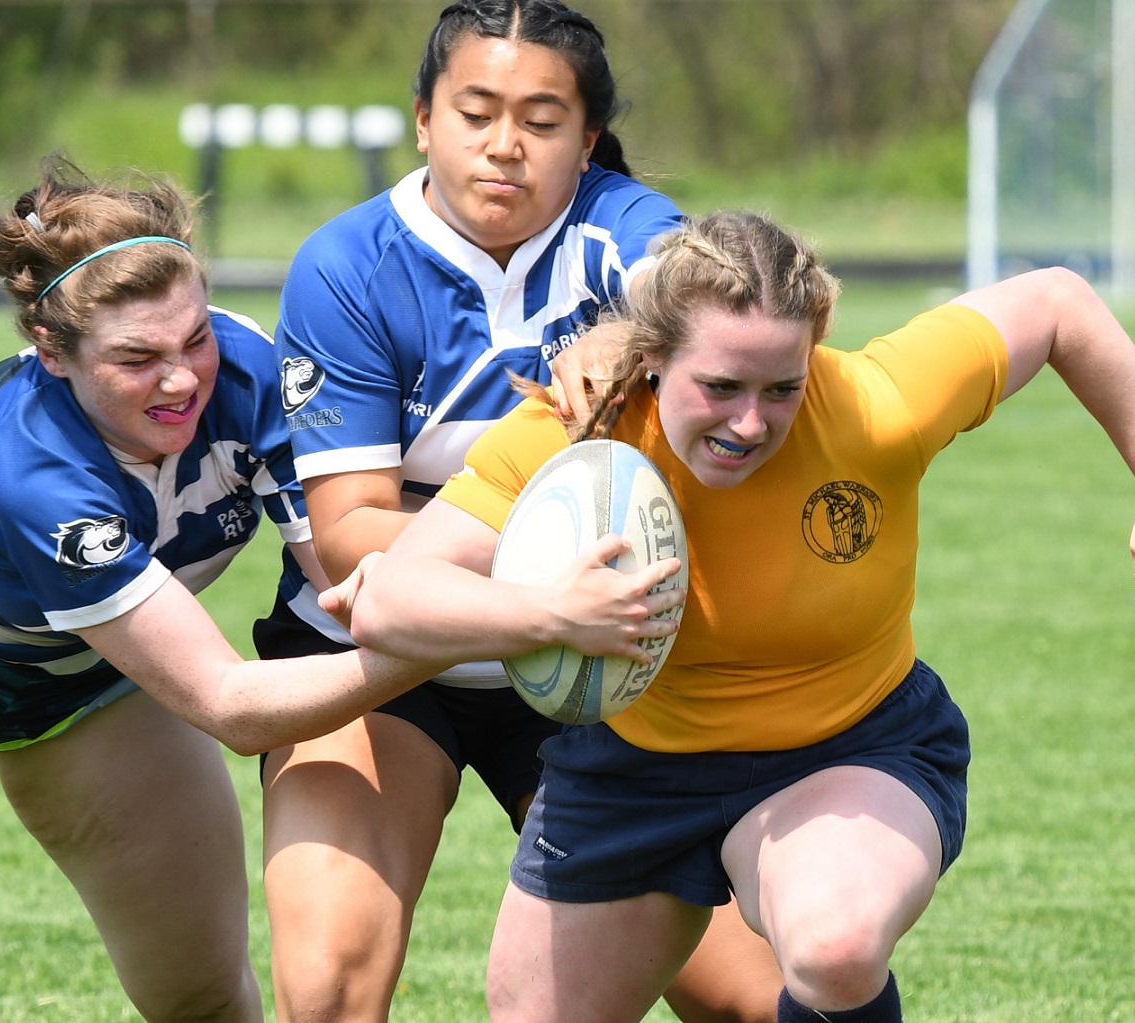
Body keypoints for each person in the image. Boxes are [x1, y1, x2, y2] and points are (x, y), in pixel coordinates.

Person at [337, 209, 1135, 1023]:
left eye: (781, 386)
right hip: (630, 767)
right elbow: (388, 597)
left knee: (834, 945)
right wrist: (552, 611)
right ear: (649, 356)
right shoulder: (575, 434)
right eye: (721, 387)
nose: (750, 421)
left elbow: (1056, 302)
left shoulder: (872, 404)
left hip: (845, 743)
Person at [0, 161, 514, 1023]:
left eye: (193, 338)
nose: (180, 380)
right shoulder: (37, 465)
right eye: (136, 357)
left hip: (87, 656)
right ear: (50, 350)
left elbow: (358, 580)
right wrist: (482, 626)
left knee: (201, 995)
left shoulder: (256, 378)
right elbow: (230, 704)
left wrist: (492, 584)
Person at [256, 2, 783, 1021]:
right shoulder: (348, 265)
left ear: (587, 141)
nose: (506, 146)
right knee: (327, 986)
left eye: (543, 122)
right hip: (377, 657)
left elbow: (703, 287)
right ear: (422, 119)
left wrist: (635, 330)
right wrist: (544, 590)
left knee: (751, 1001)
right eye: (476, 112)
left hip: (602, 665)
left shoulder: (620, 227)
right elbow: (352, 538)